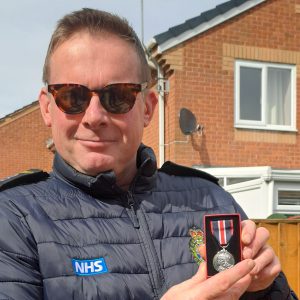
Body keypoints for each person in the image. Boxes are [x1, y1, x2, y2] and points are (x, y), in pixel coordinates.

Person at [0, 8, 297, 300]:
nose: (94, 116)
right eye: (72, 97)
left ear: (148, 107)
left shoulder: (210, 199)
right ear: (47, 108)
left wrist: (264, 289)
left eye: (117, 97)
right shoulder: (14, 219)